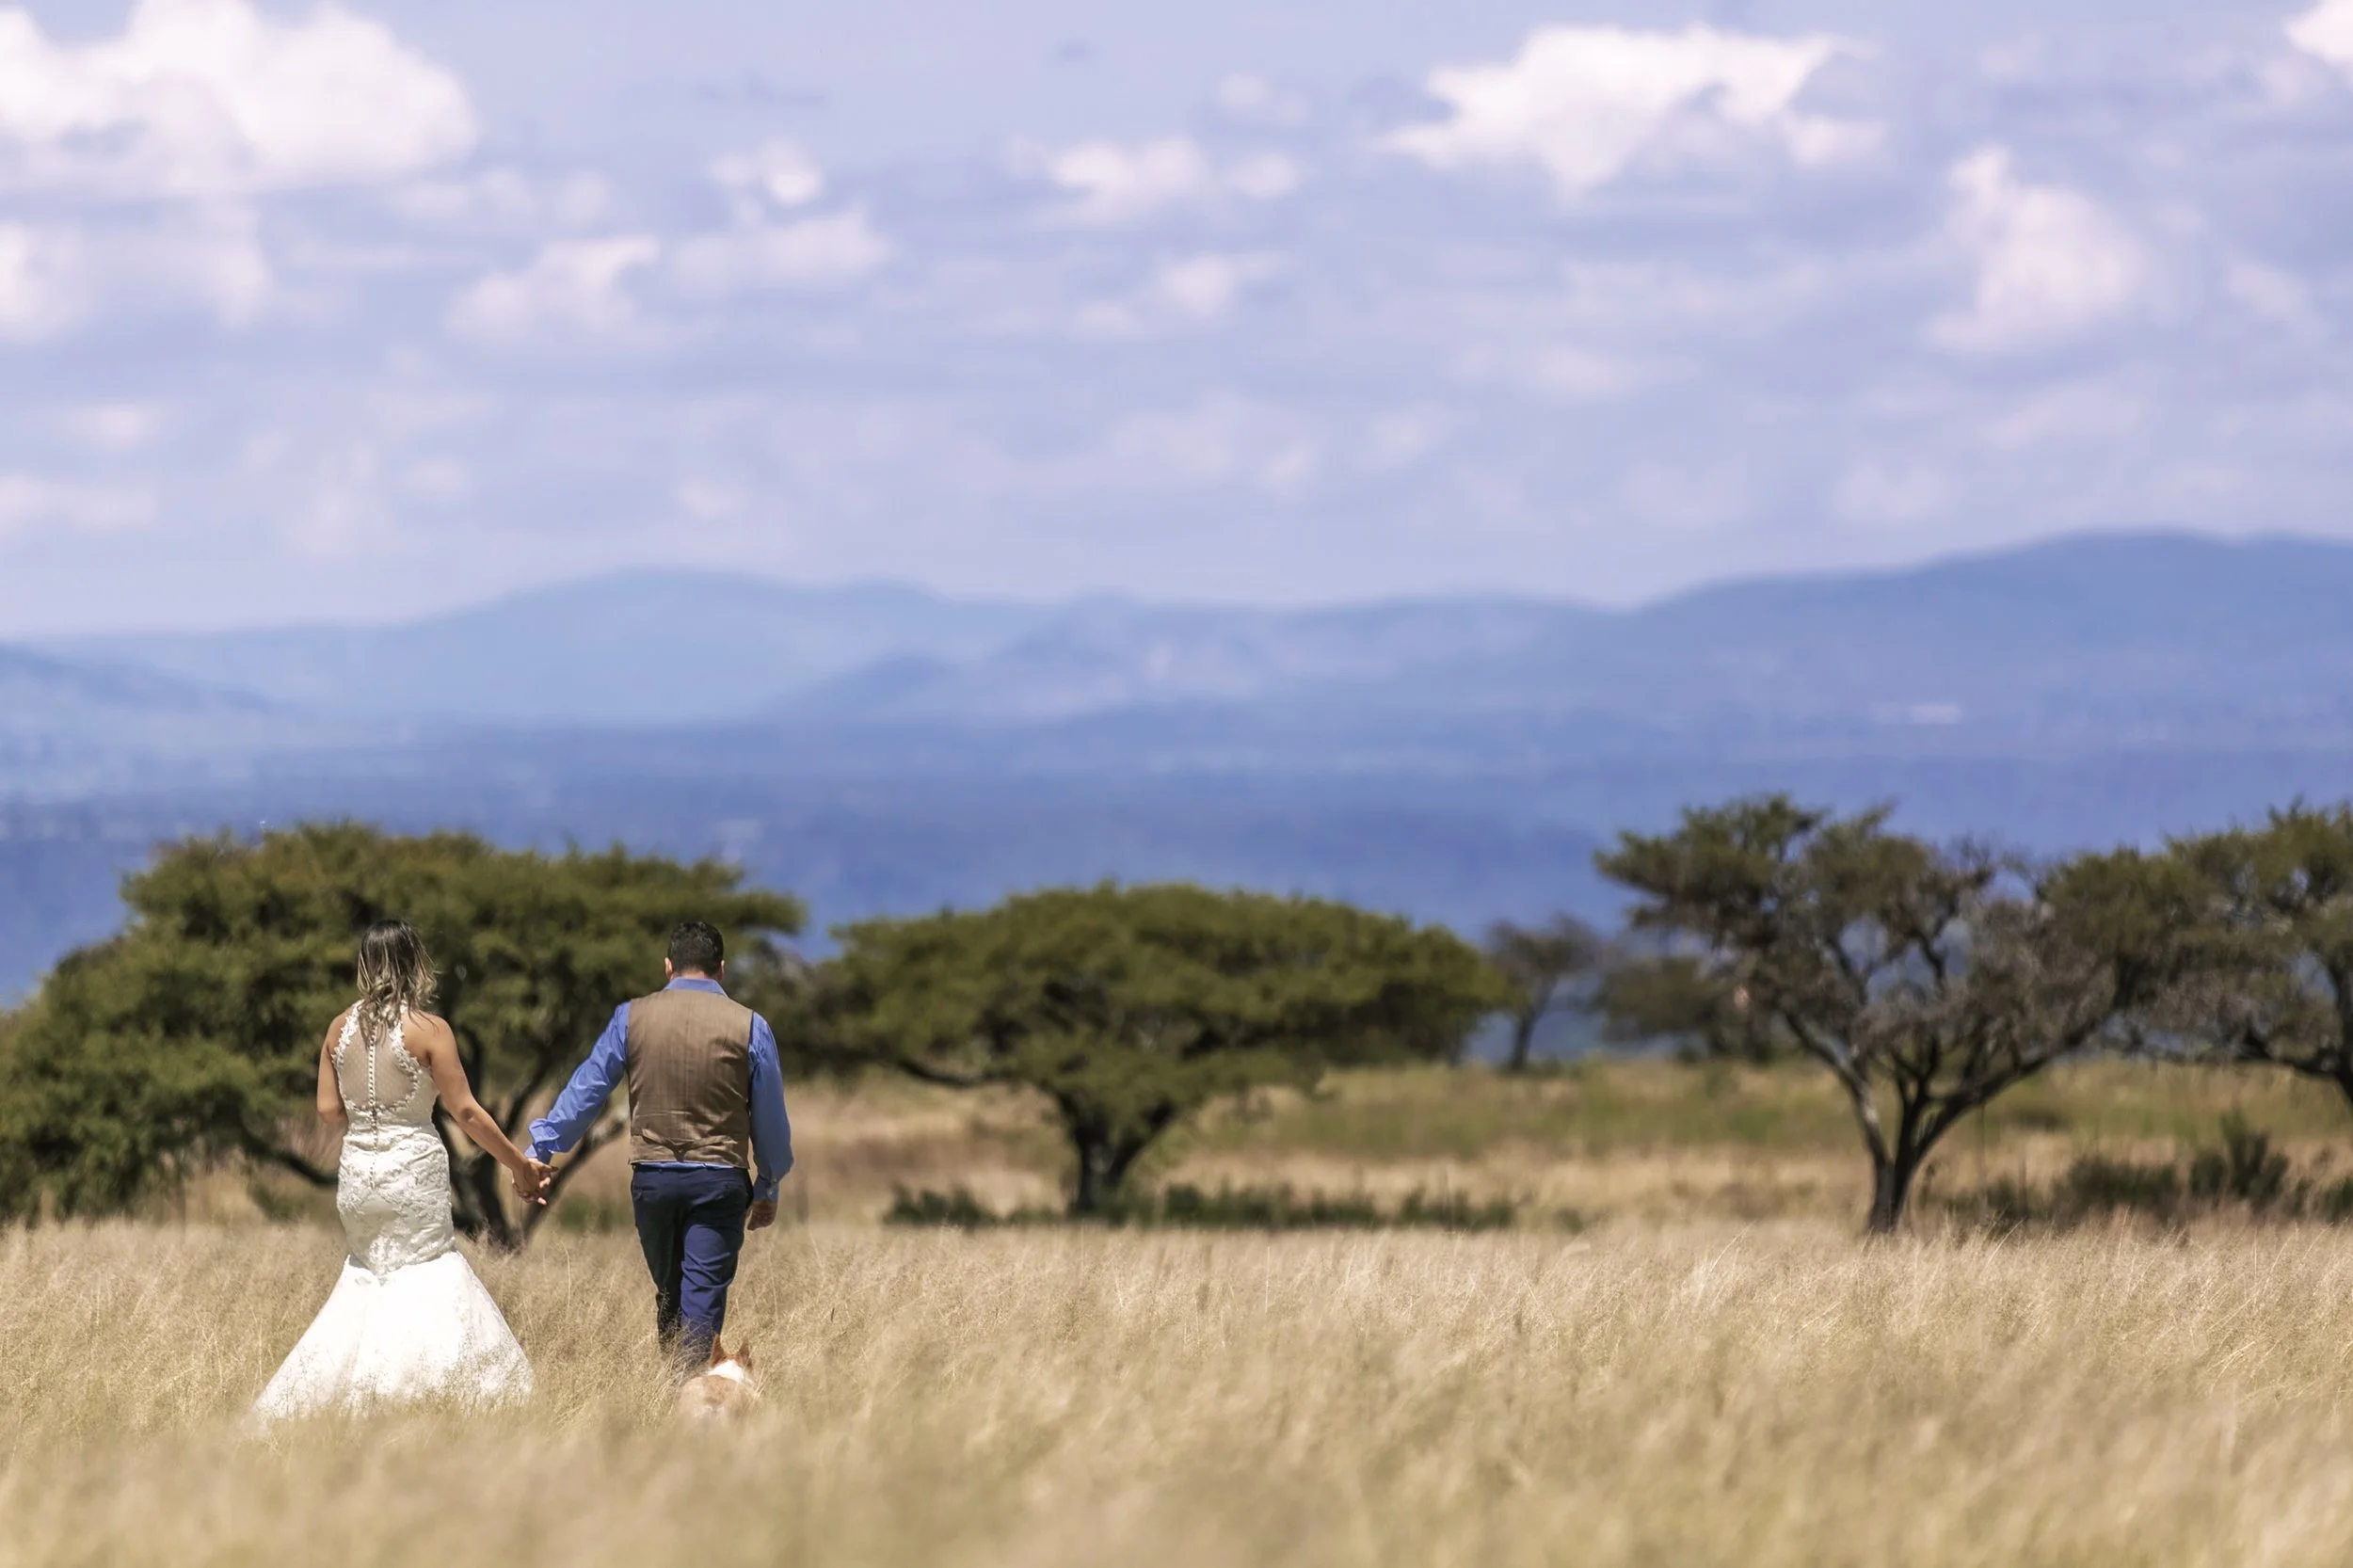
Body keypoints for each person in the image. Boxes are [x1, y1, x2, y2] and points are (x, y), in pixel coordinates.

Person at [253, 920, 544, 1420]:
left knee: (368, 1275)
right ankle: (423, 1398)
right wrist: (518, 1164)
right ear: (415, 964)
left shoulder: (337, 1029)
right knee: (428, 1272)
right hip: (411, 1170)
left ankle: (335, 1402)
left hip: (359, 1175)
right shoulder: (429, 1031)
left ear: (365, 966)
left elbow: (327, 1112)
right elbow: (466, 1112)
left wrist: (368, 1118)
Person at [527, 920, 793, 1368]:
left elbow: (588, 1088)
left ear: (668, 967)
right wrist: (767, 1185)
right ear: (721, 969)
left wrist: (543, 1148)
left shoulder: (631, 1017)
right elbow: (770, 1119)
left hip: (652, 1179)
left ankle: (674, 1394)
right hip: (719, 1179)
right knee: (701, 1297)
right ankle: (690, 1402)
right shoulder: (751, 1026)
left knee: (672, 1293)